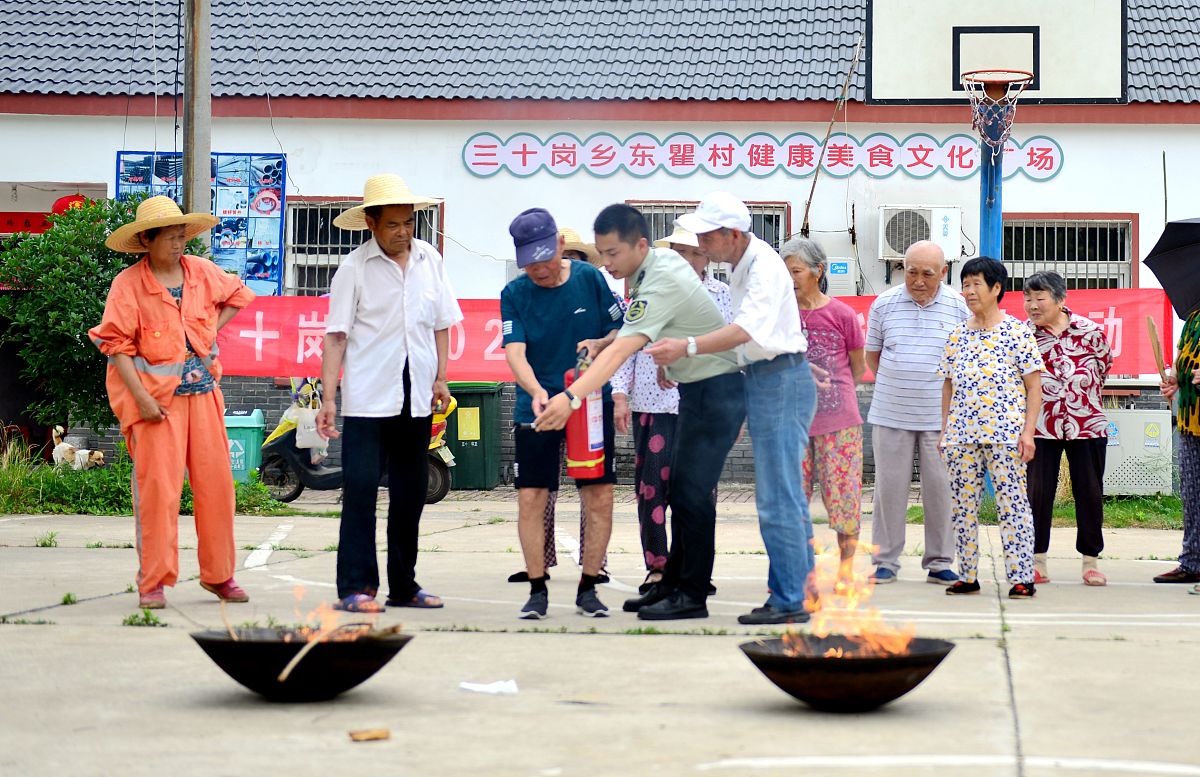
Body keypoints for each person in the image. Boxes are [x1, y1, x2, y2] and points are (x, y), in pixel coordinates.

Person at [535, 204, 744, 622]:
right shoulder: (651, 268)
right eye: (601, 253)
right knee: (683, 490)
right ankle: (671, 584)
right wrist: (602, 340)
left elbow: (623, 352)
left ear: (641, 245)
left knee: (690, 495)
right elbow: (632, 329)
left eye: (613, 254)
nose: (606, 263)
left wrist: (571, 398)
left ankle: (692, 594)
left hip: (719, 391)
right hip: (694, 389)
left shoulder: (660, 276)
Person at [647, 192, 817, 625]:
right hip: (769, 377)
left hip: (778, 380)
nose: (700, 243)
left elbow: (744, 331)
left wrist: (685, 347)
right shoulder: (744, 264)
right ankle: (798, 591)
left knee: (778, 497)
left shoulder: (760, 266)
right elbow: (760, 336)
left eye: (706, 235)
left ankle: (790, 598)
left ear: (731, 234)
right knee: (785, 496)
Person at [89, 196, 254, 609]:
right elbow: (117, 348)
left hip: (204, 400)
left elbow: (237, 294)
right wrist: (141, 399)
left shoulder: (201, 273)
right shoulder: (129, 285)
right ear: (147, 240)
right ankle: (153, 583)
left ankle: (220, 576)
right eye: (170, 236)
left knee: (217, 489)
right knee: (158, 493)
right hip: (156, 407)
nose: (179, 243)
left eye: (182, 235)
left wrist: (209, 331)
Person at [316, 174, 463, 614]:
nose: (403, 232)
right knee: (360, 492)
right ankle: (356, 588)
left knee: (410, 492)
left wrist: (441, 377)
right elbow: (336, 337)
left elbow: (441, 323)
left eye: (409, 222)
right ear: (371, 223)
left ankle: (404, 585)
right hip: (367, 398)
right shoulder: (354, 269)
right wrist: (328, 398)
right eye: (394, 224)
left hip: (416, 394)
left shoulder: (429, 260)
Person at [501, 208, 623, 619]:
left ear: (559, 245)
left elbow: (619, 330)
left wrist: (600, 344)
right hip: (536, 407)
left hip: (588, 403)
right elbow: (515, 353)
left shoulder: (590, 279)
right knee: (532, 496)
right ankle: (537, 589)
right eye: (530, 263)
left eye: (545, 258)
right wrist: (535, 391)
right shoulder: (514, 294)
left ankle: (590, 587)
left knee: (598, 495)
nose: (540, 269)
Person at [610, 226, 734, 593]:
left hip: (700, 405)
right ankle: (658, 567)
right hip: (652, 404)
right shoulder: (649, 290)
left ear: (705, 257)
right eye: (675, 251)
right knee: (651, 490)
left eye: (689, 252)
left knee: (698, 492)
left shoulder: (721, 294)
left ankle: (694, 568)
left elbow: (728, 347)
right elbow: (627, 344)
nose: (681, 259)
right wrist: (619, 393)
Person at [938, 257, 1044, 599]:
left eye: (976, 285)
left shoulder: (1017, 332)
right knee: (962, 506)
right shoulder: (957, 335)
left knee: (1012, 505)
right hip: (961, 436)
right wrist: (945, 430)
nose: (968, 291)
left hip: (1006, 435)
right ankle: (967, 574)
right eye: (965, 285)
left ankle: (1021, 576)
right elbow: (948, 387)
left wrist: (1028, 432)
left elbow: (1034, 386)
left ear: (996, 288)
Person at [865, 240, 968, 586]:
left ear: (944, 272)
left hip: (941, 419)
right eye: (911, 272)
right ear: (901, 270)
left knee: (941, 491)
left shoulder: (959, 307)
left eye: (927, 273)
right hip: (891, 412)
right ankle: (884, 560)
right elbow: (872, 357)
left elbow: (964, 362)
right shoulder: (884, 304)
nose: (919, 280)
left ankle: (940, 561)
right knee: (888, 491)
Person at [781, 236, 867, 580]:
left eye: (796, 270)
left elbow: (857, 367)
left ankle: (846, 571)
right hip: (792, 422)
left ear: (818, 271)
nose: (790, 278)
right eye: (785, 271)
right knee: (793, 497)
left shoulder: (842, 314)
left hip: (839, 422)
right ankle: (801, 569)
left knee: (844, 496)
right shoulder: (780, 314)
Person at [1023, 271, 1113, 586]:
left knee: (1089, 493)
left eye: (1039, 298)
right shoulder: (1024, 335)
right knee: (1038, 494)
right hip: (1040, 425)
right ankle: (1037, 562)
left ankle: (1091, 562)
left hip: (1087, 424)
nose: (1032, 305)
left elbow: (1103, 366)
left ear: (1061, 300)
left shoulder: (1091, 332)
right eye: (1028, 298)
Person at [1156, 307, 1200, 589]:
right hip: (1190, 421)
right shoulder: (1194, 319)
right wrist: (1175, 380)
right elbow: (1182, 358)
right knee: (1192, 496)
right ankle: (1192, 562)